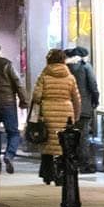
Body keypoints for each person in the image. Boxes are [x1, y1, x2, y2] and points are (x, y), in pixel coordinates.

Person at [29, 48, 81, 185]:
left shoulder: (44, 76)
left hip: (48, 111)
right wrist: (76, 115)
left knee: (48, 144)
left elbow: (36, 96)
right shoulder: (70, 77)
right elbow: (76, 98)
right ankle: (61, 176)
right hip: (66, 112)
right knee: (63, 145)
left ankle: (48, 175)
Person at [0, 42, 28, 173]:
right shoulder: (6, 64)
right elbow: (17, 83)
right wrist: (23, 100)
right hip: (7, 103)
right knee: (13, 132)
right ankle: (9, 155)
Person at [66, 46, 101, 172]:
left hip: (67, 108)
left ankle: (69, 161)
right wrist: (96, 100)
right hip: (83, 107)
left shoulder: (65, 68)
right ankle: (84, 163)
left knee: (68, 136)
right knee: (83, 136)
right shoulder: (85, 66)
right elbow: (93, 85)